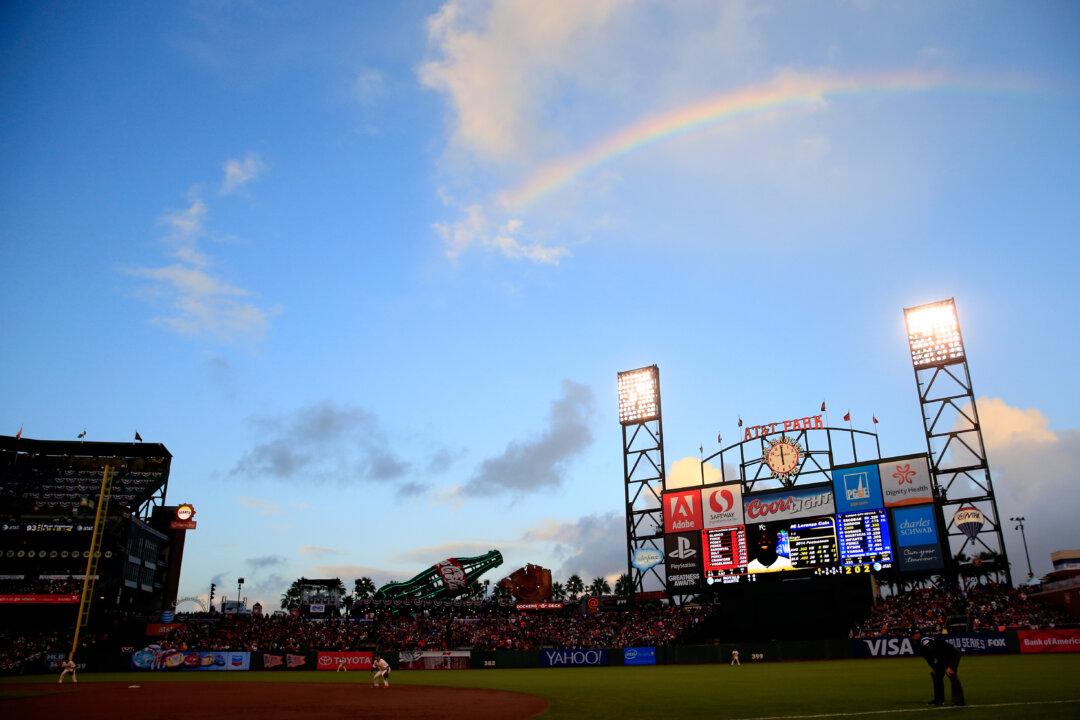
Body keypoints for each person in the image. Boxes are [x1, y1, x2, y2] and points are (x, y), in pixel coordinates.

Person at [912, 629, 964, 706]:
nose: (915, 635)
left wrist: (948, 666)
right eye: (913, 634)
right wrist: (934, 668)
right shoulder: (920, 643)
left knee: (951, 675)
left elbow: (941, 651)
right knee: (936, 675)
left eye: (917, 633)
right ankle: (939, 700)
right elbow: (928, 658)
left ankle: (959, 701)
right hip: (942, 657)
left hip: (951, 655)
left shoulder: (924, 640)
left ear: (919, 634)